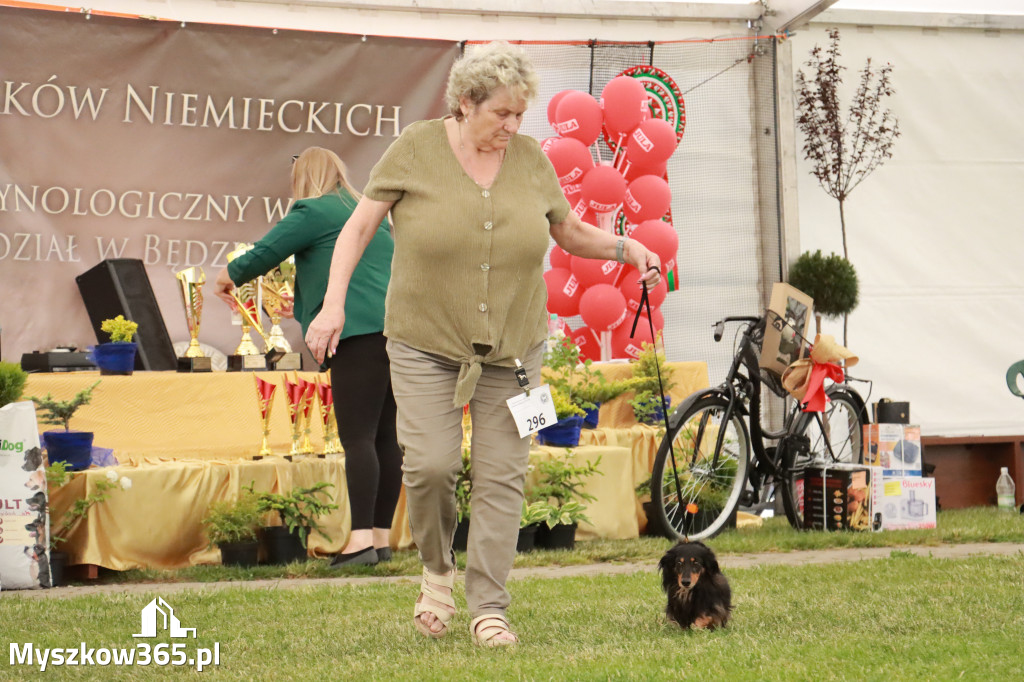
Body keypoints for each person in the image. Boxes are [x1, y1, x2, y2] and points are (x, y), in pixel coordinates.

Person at [304, 42, 661, 646]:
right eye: (502, 114)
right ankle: (437, 575)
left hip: (518, 354)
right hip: (423, 343)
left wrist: (628, 247)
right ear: (466, 104)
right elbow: (359, 226)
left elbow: (568, 230)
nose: (514, 127)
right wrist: (332, 302)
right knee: (431, 465)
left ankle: (488, 606)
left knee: (503, 477)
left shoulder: (529, 160)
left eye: (522, 115)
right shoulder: (416, 147)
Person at [214, 146, 402, 567]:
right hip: (395, 333)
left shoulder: (314, 210)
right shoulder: (366, 212)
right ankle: (381, 539)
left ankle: (358, 543)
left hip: (355, 333)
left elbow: (264, 254)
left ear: (304, 179)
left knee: (357, 438)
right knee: (386, 437)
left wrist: (225, 278)